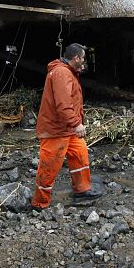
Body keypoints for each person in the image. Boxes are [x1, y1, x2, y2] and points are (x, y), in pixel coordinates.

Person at [31, 43, 103, 210]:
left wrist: (74, 124)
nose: (84, 61)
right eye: (83, 58)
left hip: (66, 128)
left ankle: (82, 190)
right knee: (49, 166)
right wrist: (77, 124)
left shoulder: (67, 72)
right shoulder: (62, 73)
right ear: (76, 58)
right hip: (56, 130)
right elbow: (63, 105)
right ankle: (39, 203)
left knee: (80, 154)